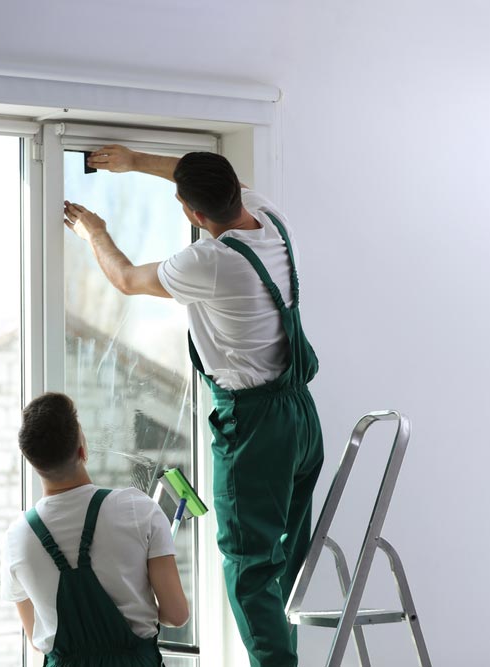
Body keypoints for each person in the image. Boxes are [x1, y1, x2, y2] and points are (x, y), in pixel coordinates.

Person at [63, 146, 323, 667]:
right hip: (300, 415)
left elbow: (126, 278)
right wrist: (135, 160)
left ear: (191, 214)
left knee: (249, 565)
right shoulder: (271, 220)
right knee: (287, 556)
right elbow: (206, 183)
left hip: (253, 425)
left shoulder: (209, 262)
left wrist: (94, 232)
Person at [1, 392, 189, 666]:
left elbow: (37, 636)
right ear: (82, 450)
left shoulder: (17, 538)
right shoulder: (138, 508)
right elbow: (176, 614)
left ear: (33, 463)